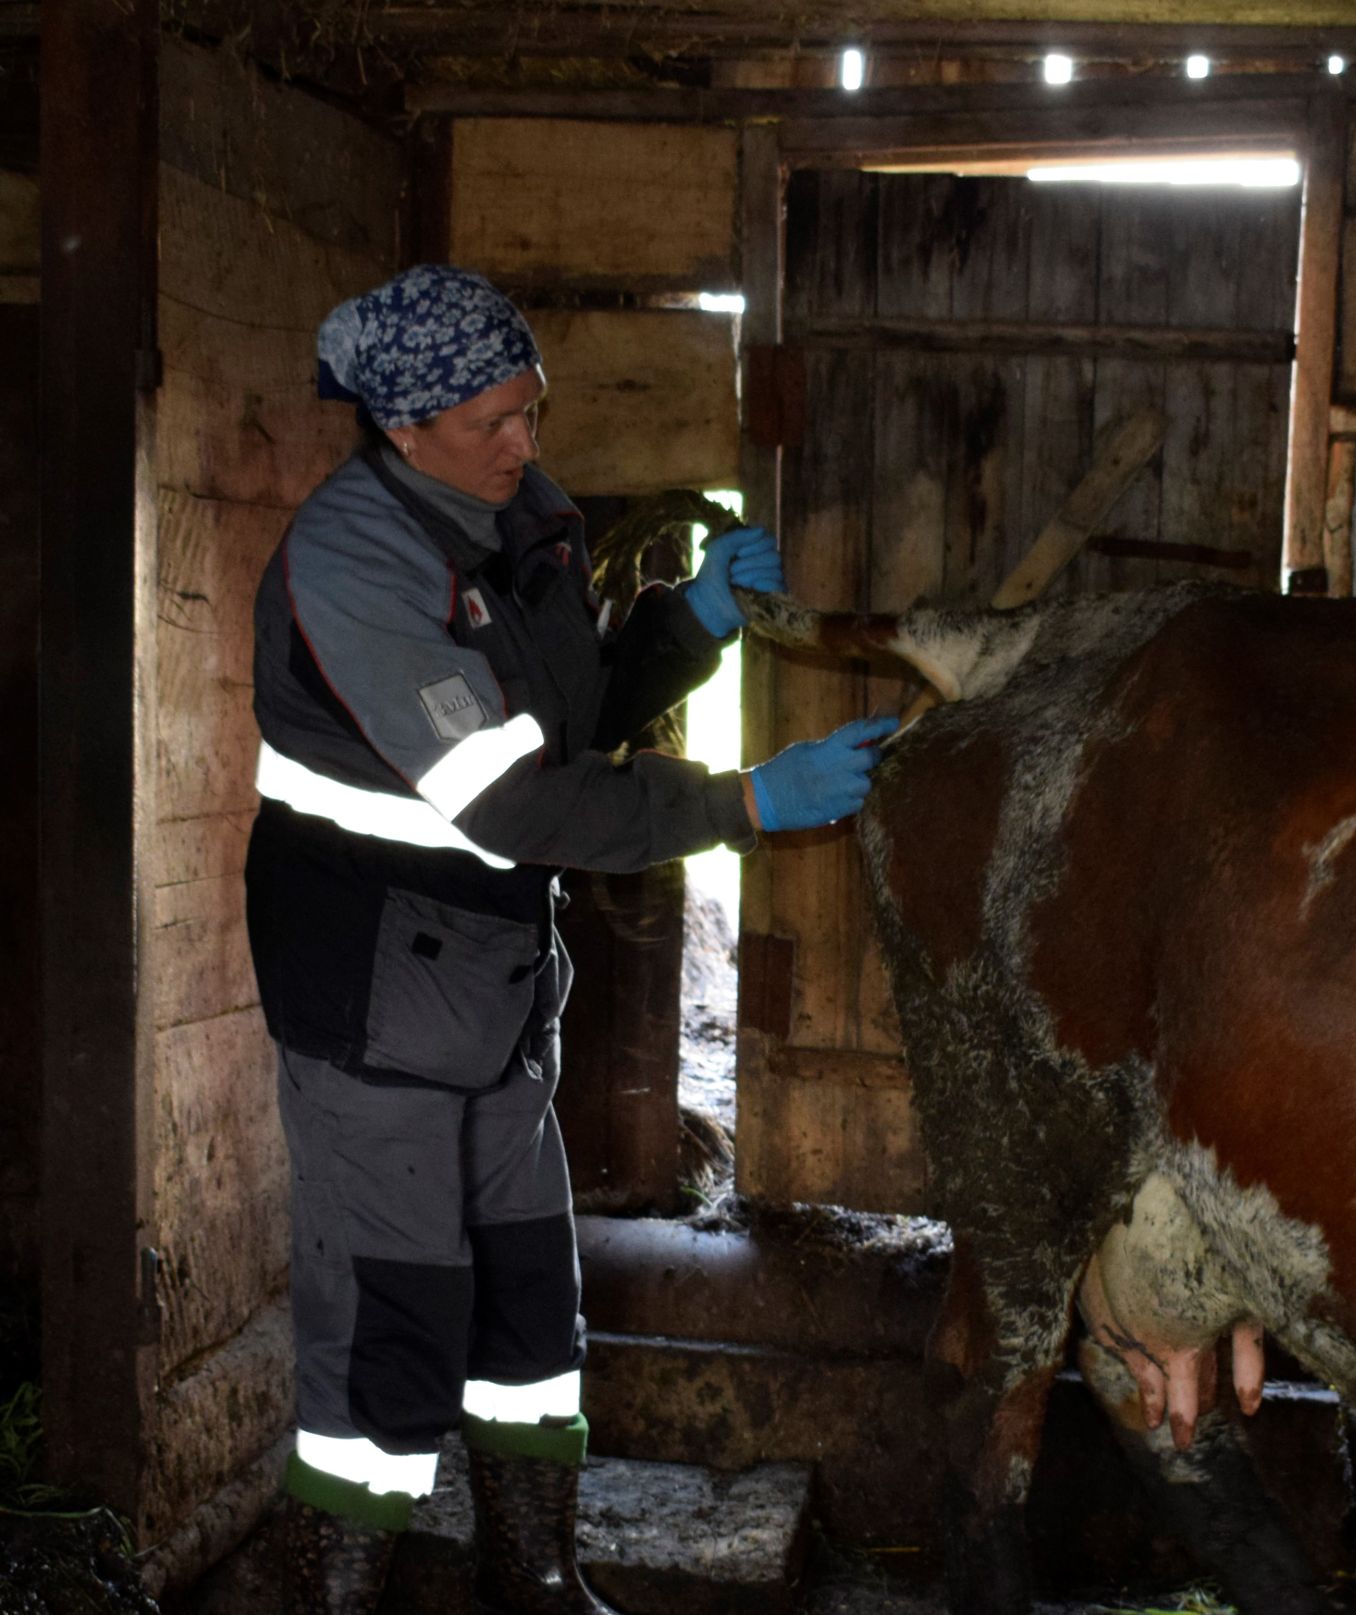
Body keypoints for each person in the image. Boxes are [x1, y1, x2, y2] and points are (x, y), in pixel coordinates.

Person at [244, 263, 895, 1614]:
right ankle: (334, 1597)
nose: (528, 445)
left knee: (533, 1307)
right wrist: (746, 803)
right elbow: (520, 796)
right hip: (374, 991)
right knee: (394, 1322)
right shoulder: (355, 561)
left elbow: (572, 714)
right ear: (403, 424)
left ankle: (536, 1576)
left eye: (533, 410)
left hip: (493, 984)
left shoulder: (516, 508)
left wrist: (689, 625)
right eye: (494, 420)